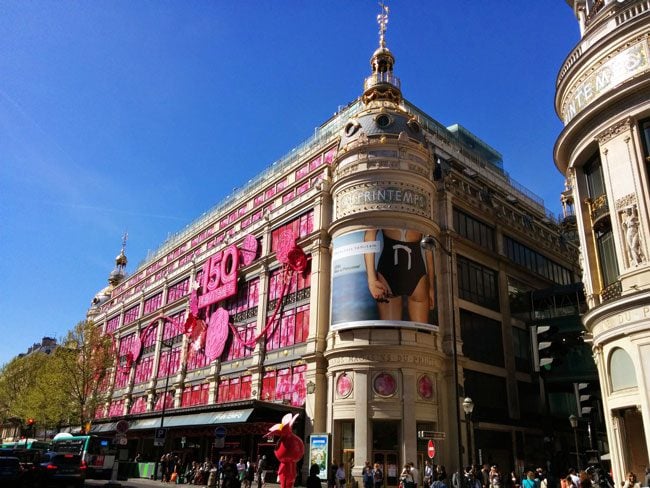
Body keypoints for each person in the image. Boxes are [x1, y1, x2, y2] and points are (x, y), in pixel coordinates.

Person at [364, 228, 435, 323]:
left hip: (388, 269)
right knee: (422, 333)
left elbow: (369, 236)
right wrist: (431, 286)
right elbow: (428, 248)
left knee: (391, 333)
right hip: (417, 271)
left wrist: (371, 280)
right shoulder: (424, 212)